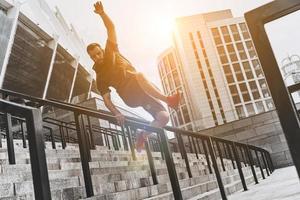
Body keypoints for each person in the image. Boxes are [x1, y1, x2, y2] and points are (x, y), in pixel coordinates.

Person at [87, 1, 180, 152]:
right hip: (129, 95)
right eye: (93, 57)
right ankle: (169, 100)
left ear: (102, 51)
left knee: (163, 118)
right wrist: (117, 113)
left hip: (144, 93)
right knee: (140, 75)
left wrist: (102, 14)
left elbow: (111, 28)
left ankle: (143, 135)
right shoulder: (100, 76)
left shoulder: (111, 51)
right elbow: (106, 99)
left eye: (98, 53)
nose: (97, 57)